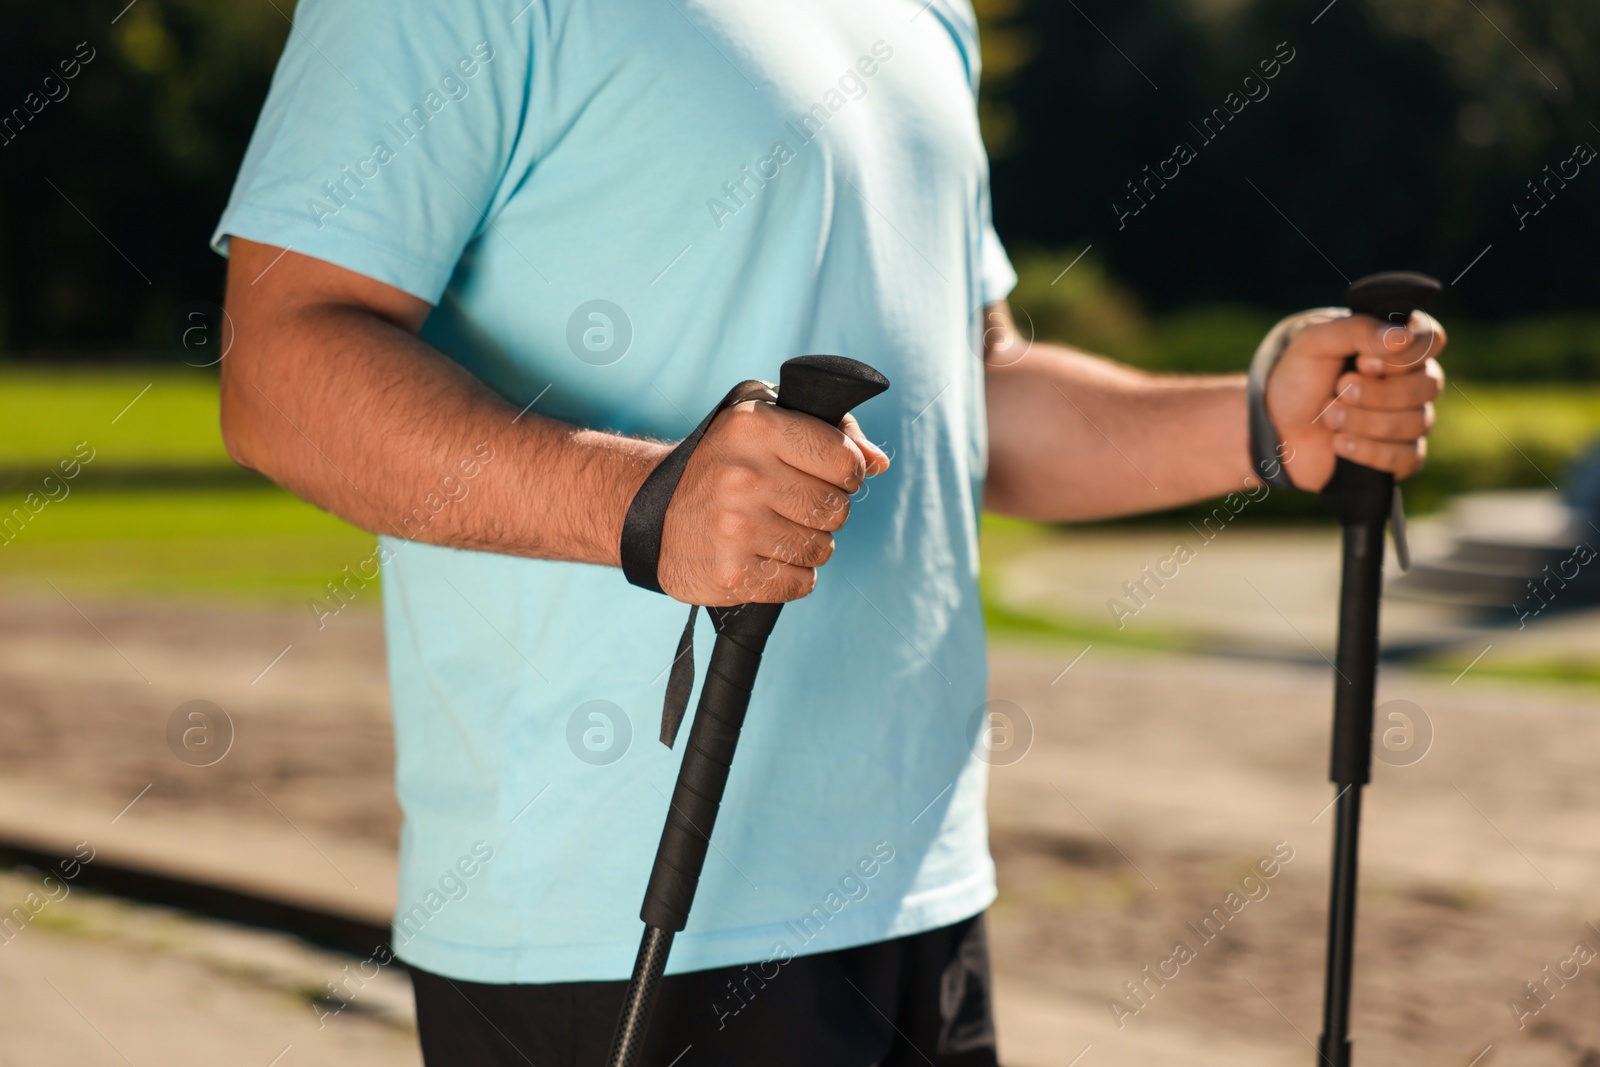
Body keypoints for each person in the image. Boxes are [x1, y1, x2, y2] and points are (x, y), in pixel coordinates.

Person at [212, 1, 1446, 1064]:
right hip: (610, 920)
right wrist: (646, 501)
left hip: (915, 893)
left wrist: (1263, 422)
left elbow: (969, 395)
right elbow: (280, 362)